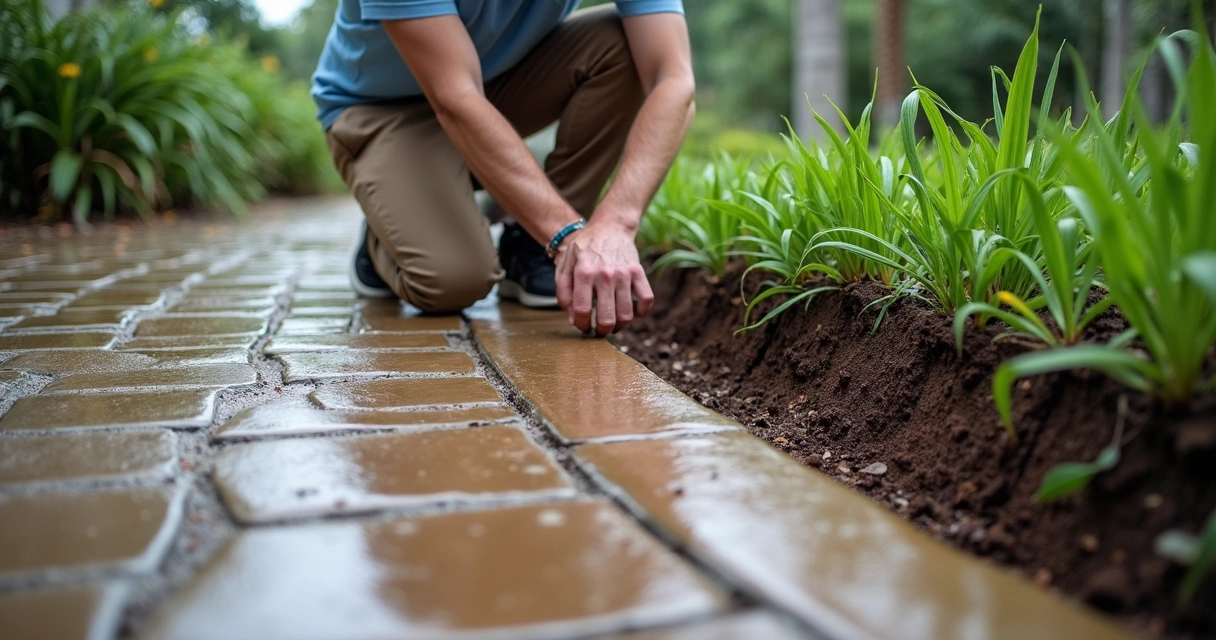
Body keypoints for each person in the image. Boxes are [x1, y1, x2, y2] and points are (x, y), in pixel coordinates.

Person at [312, 0, 694, 337]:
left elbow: (673, 79)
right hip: (382, 109)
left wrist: (615, 224)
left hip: (491, 87)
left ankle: (532, 246)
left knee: (624, 43)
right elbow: (454, 97)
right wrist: (563, 233)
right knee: (454, 282)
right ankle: (387, 229)